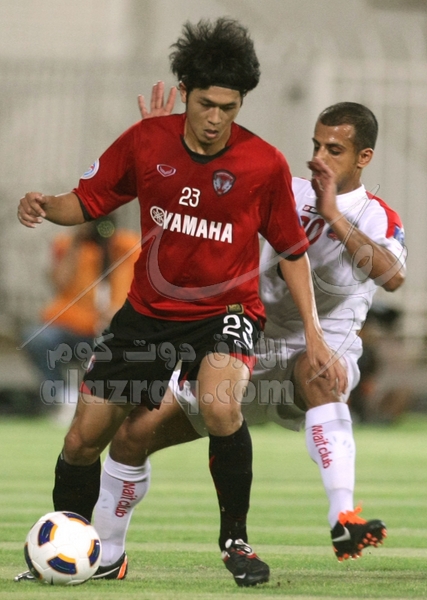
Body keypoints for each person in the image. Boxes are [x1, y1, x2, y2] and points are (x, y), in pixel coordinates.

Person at [16, 18, 346, 588]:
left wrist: (314, 334)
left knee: (220, 406)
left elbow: (293, 252)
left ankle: (236, 541)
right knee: (82, 440)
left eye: (229, 107)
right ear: (185, 92)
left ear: (241, 103)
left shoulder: (263, 163)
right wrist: (46, 204)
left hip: (228, 313)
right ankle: (75, 550)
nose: (215, 118)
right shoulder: (146, 141)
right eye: (205, 104)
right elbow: (88, 201)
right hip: (147, 315)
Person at [68, 98, 406, 580]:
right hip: (240, 346)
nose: (319, 158)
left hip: (313, 352)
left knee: (319, 372)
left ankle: (343, 516)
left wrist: (333, 213)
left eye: (334, 150)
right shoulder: (285, 188)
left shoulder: (375, 216)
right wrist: (164, 143)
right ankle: (107, 557)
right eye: (316, 146)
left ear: (363, 157)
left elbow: (392, 276)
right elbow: (201, 198)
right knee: (131, 435)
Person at [21, 216, 139, 420]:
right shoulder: (68, 244)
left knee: (141, 344)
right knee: (38, 337)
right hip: (75, 330)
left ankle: (122, 404)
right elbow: (60, 282)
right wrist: (77, 240)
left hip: (114, 331)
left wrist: (119, 313)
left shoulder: (126, 244)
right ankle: (61, 398)